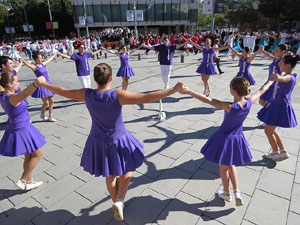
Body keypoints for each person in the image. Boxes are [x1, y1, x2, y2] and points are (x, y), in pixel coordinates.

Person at [40, 63, 184, 221]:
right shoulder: (117, 95)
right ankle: (120, 200)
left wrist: (43, 83)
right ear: (111, 78)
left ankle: (116, 202)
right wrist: (173, 90)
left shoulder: (87, 94)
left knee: (110, 174)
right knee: (128, 167)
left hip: (98, 140)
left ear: (96, 79)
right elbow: (147, 97)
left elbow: (62, 91)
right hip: (119, 138)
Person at [179, 76, 275, 206]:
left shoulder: (230, 106)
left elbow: (208, 100)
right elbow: (261, 90)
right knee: (231, 164)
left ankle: (226, 192)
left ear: (233, 90)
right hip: (237, 138)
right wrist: (271, 80)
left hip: (225, 139)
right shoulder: (249, 102)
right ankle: (236, 192)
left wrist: (189, 91)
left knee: (223, 167)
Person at [0, 72, 46, 190]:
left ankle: (29, 182)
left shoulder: (3, 95)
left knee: (29, 155)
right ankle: (23, 179)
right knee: (38, 153)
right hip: (22, 129)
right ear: (10, 84)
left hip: (19, 126)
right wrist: (35, 84)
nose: (18, 83)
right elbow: (25, 93)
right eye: (16, 81)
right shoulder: (13, 98)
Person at [257, 55, 299, 162]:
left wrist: (278, 77)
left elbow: (284, 79)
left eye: (282, 62)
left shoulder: (290, 77)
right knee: (271, 130)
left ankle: (275, 153)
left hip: (279, 106)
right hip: (276, 104)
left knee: (268, 131)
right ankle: (282, 151)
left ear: (288, 65)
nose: (279, 64)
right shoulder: (288, 74)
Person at [21, 52, 58, 121]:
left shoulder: (43, 64)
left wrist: (55, 55)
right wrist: (23, 61)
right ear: (35, 59)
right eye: (40, 58)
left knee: (52, 101)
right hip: (42, 85)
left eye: (41, 58)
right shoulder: (35, 67)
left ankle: (50, 116)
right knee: (46, 103)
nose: (41, 59)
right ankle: (42, 114)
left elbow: (49, 60)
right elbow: (28, 65)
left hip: (48, 84)